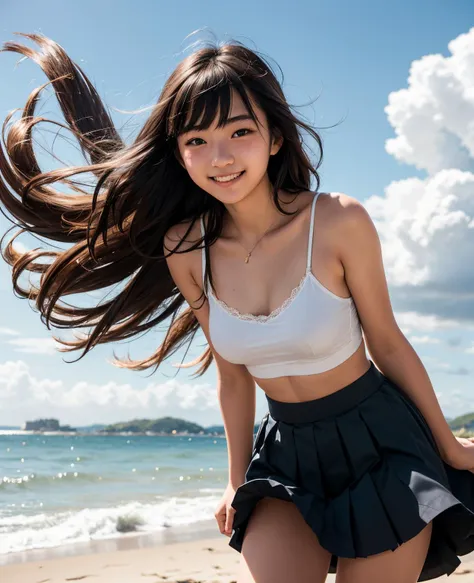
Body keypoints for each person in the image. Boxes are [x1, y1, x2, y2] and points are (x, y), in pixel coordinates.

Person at [0, 32, 473, 583]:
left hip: (381, 443)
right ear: (177, 152)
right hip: (286, 457)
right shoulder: (187, 249)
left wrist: (450, 446)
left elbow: (388, 343)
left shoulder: (340, 222)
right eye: (196, 139)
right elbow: (232, 376)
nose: (219, 157)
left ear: (274, 138)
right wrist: (232, 479)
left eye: (240, 131)